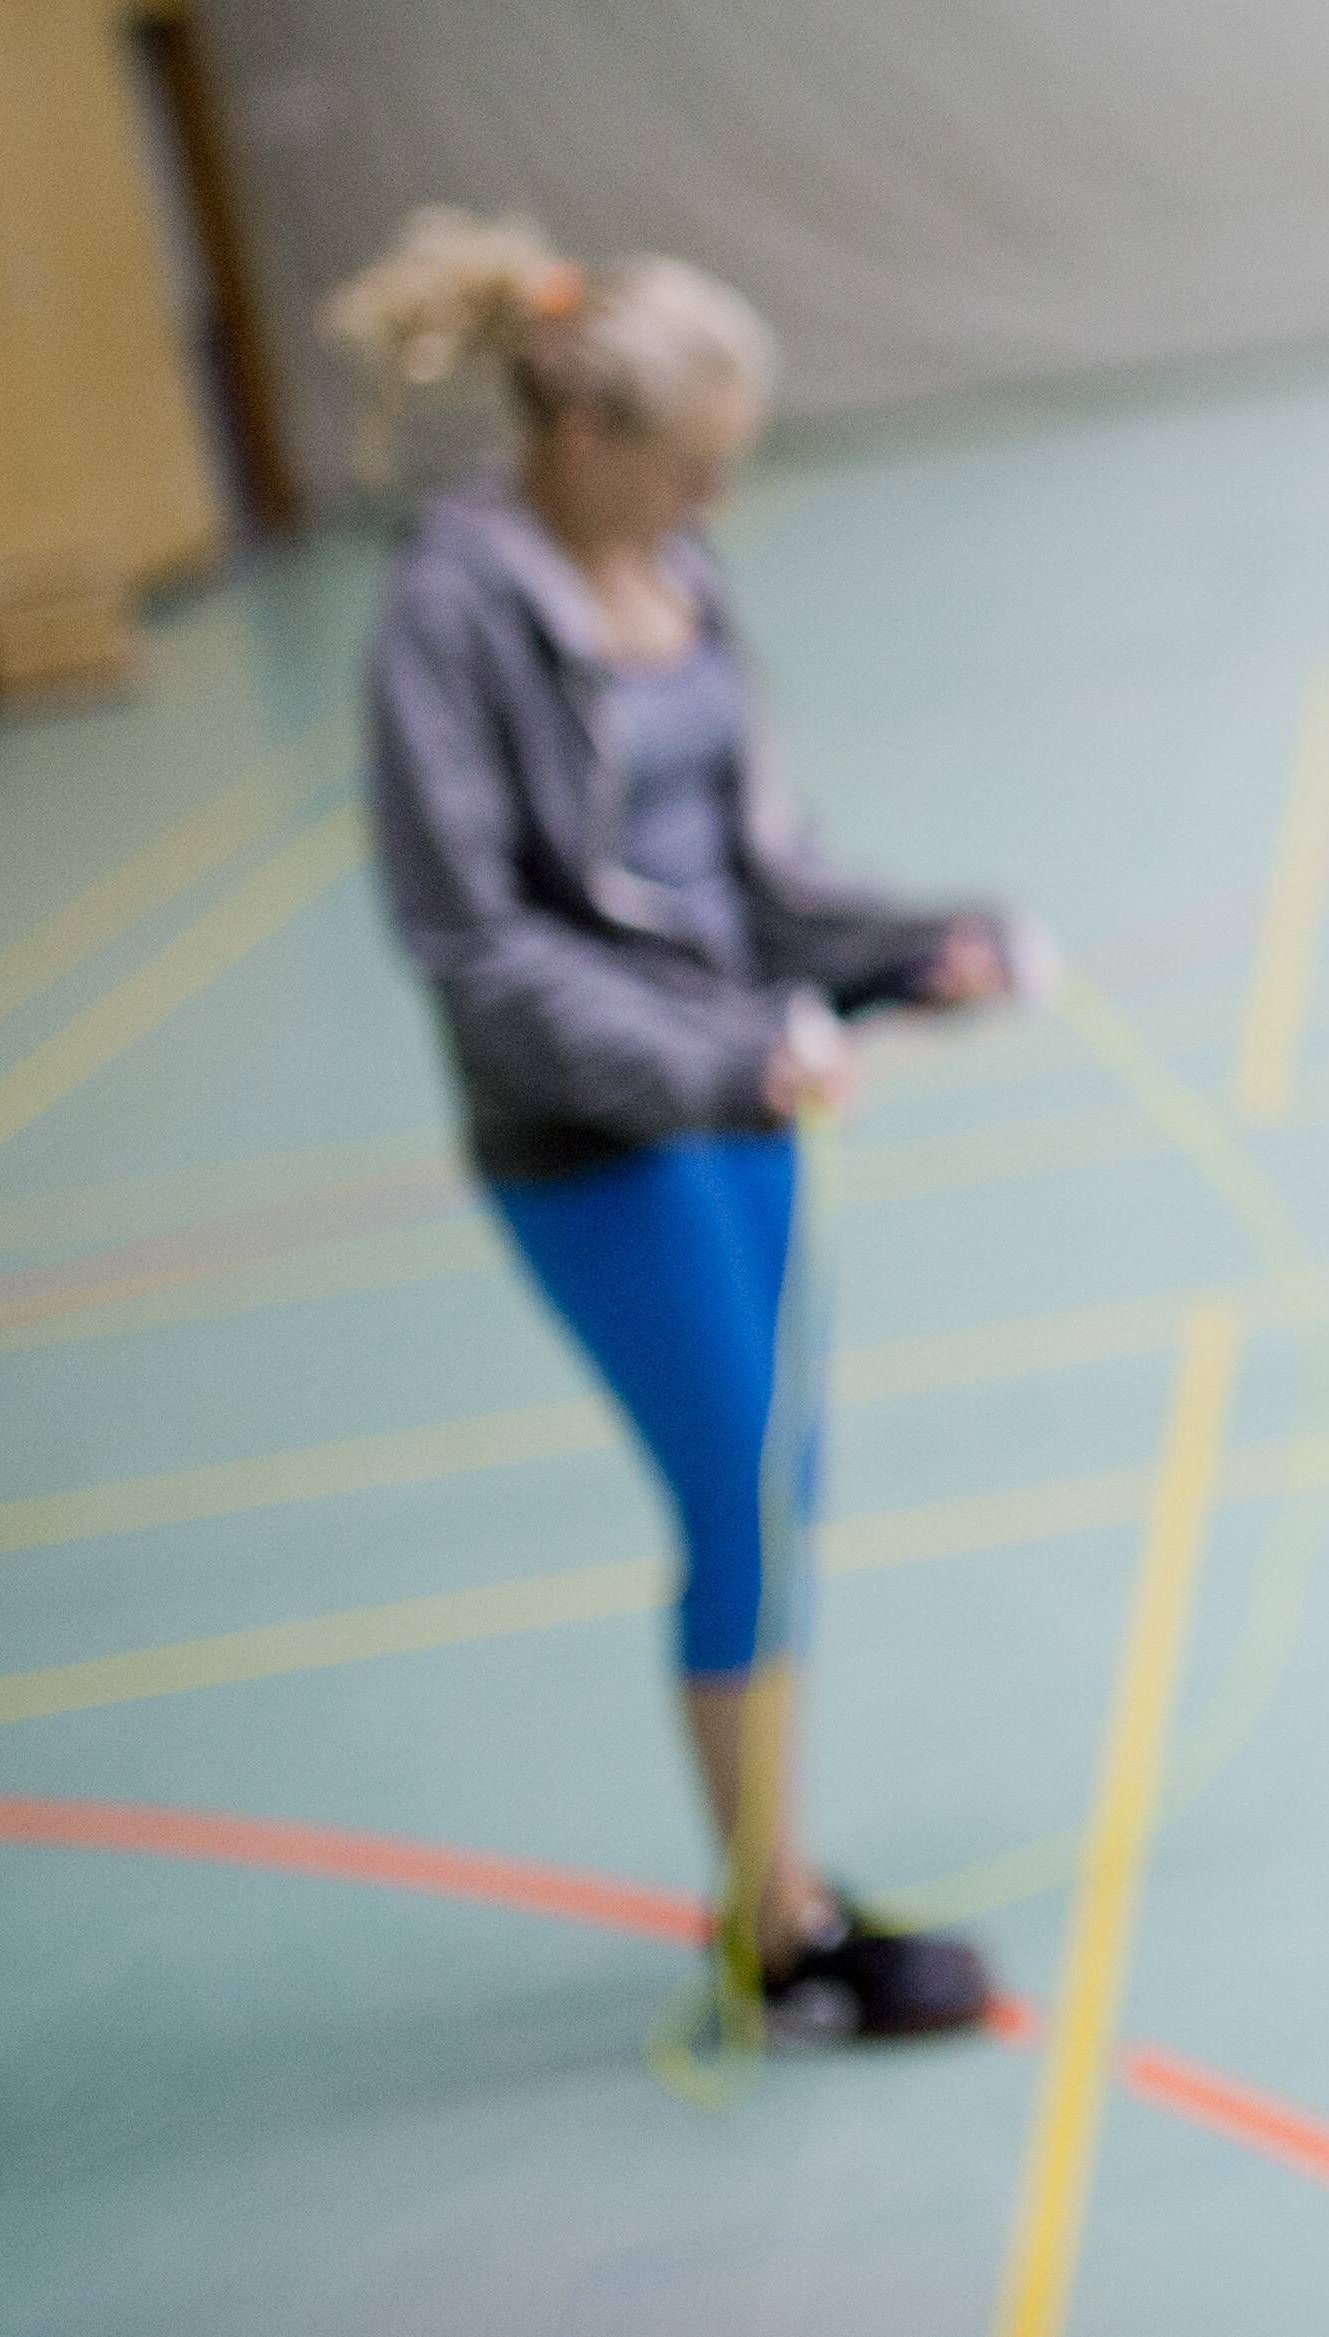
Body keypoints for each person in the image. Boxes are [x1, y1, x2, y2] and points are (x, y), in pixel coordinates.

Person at [334, 207, 1013, 2043]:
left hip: (746, 1101)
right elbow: (471, 944)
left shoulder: (679, 576)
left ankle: (774, 1886)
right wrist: (725, 1063)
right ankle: (773, 1934)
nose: (716, 503)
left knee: (779, 1497)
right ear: (584, 438)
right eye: (692, 468)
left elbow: (753, 874)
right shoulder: (452, 617)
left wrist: (902, 952)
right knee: (730, 1489)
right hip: (596, 1136)